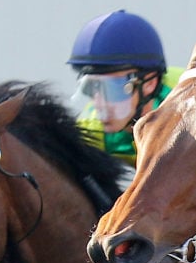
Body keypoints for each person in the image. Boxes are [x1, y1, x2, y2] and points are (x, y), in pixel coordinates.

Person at [68, 10, 179, 173]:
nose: (99, 105)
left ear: (149, 83)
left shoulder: (187, 110)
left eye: (112, 89)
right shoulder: (92, 130)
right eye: (92, 88)